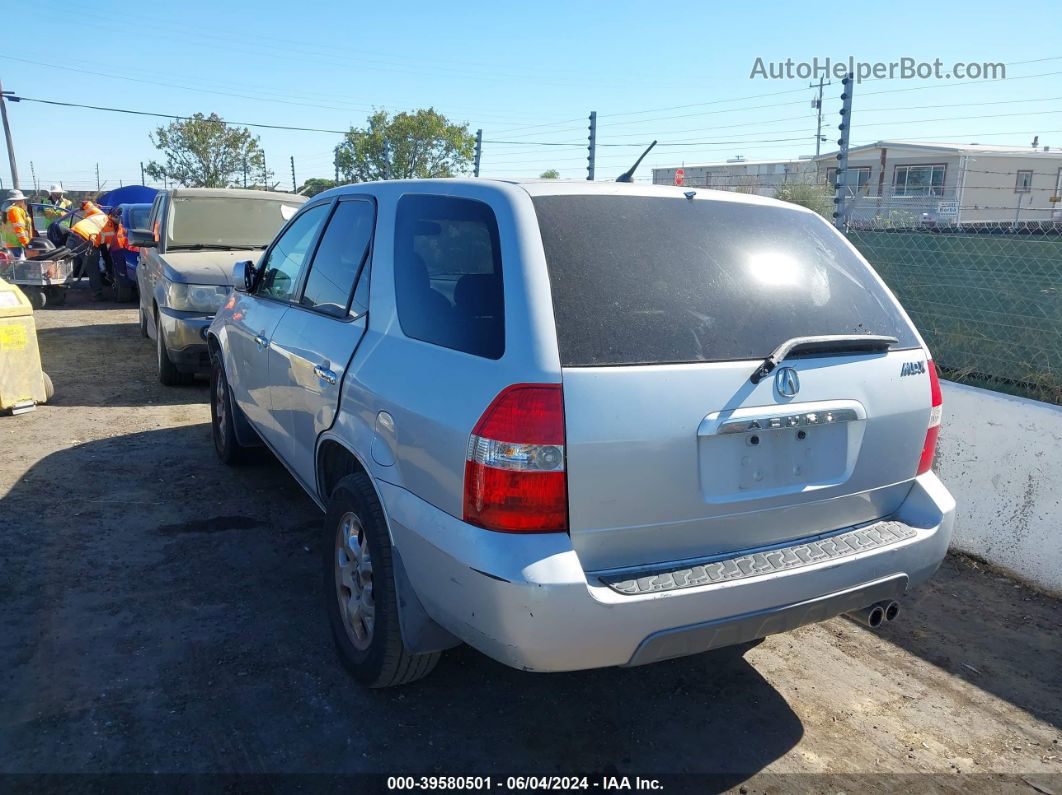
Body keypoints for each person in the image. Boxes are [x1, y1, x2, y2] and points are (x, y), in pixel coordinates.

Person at [1, 189, 32, 260]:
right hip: (18, 245)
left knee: (12, 269)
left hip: (9, 245)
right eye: (21, 199)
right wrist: (26, 243)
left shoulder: (5, 210)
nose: (23, 201)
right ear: (17, 200)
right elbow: (19, 228)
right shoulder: (15, 210)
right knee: (21, 268)